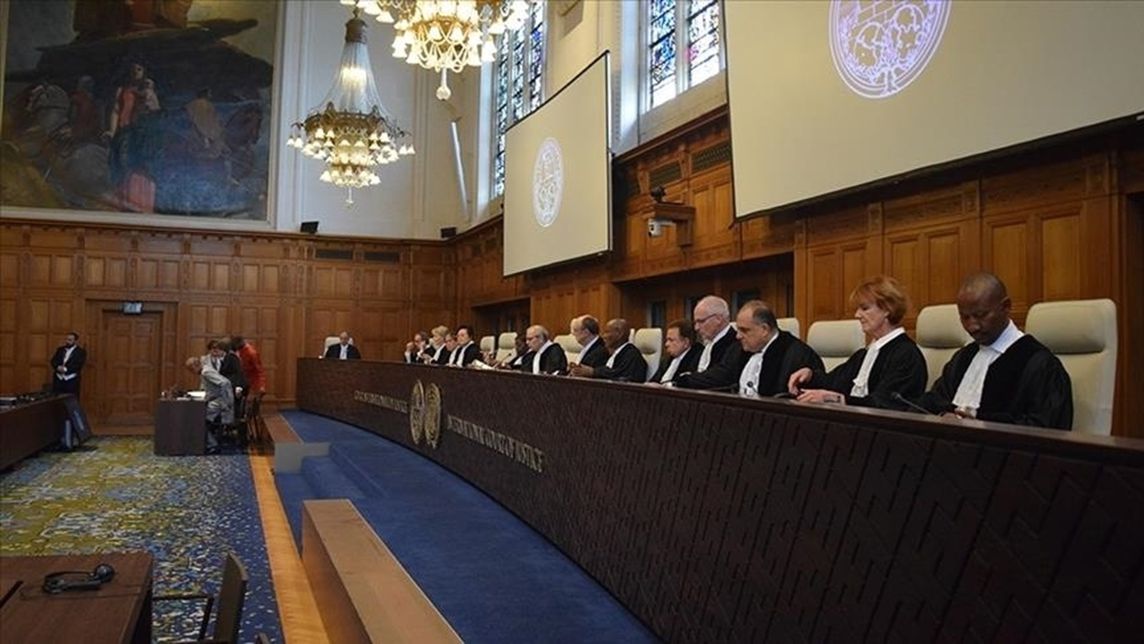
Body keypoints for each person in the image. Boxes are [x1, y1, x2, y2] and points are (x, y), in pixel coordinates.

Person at [917, 272, 1073, 429]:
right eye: (965, 317)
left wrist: (981, 427)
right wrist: (943, 416)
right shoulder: (963, 357)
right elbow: (933, 403)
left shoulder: (1039, 364)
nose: (972, 326)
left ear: (1006, 307)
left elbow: (1047, 428)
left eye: (981, 315)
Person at [788, 276, 928, 409]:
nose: (857, 315)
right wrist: (810, 376)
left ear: (887, 309)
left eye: (865, 308)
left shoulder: (906, 355)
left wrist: (836, 399)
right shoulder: (865, 354)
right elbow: (834, 381)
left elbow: (885, 405)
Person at [728, 300, 823, 398]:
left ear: (764, 330)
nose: (738, 336)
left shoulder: (798, 355)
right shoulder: (738, 349)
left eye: (744, 330)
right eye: (738, 330)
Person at [568, 319, 648, 382]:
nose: (603, 336)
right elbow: (609, 370)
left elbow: (620, 377)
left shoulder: (631, 355)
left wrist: (593, 372)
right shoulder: (614, 353)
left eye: (606, 332)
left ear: (619, 334)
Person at [185, 355, 234, 453]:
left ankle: (212, 445)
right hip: (216, 402)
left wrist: (226, 402)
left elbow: (225, 383)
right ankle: (207, 443)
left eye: (191, 370)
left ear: (195, 366)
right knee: (197, 417)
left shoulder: (206, 372)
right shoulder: (205, 371)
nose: (192, 372)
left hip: (219, 403)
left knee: (198, 419)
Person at [648, 320, 701, 385]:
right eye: (667, 340)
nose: (666, 344)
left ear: (686, 342)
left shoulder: (697, 358)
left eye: (671, 340)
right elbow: (654, 381)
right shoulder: (666, 360)